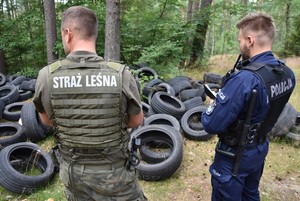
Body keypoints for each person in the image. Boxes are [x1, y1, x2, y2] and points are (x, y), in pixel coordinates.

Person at [33, 6, 147, 201]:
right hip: (115, 175)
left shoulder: (47, 76)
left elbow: (48, 121)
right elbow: (136, 121)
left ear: (67, 34)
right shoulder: (121, 74)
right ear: (94, 34)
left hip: (74, 175)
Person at [201, 12, 296, 201]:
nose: (240, 45)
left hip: (234, 157)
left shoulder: (245, 79)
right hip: (260, 149)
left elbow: (210, 124)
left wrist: (215, 104)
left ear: (250, 40)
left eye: (240, 41)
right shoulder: (287, 74)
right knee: (250, 194)